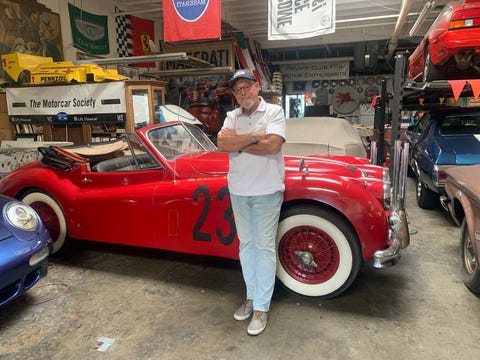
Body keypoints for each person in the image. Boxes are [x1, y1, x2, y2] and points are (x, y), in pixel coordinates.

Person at [216, 69, 286, 336]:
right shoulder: (232, 115)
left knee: (264, 247)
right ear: (234, 95)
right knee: (246, 246)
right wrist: (255, 136)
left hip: (267, 190)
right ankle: (251, 296)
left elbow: (273, 147)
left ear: (257, 87)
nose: (243, 92)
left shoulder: (273, 112)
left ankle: (261, 308)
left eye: (247, 86)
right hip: (239, 190)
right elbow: (222, 143)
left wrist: (238, 144)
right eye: (238, 90)